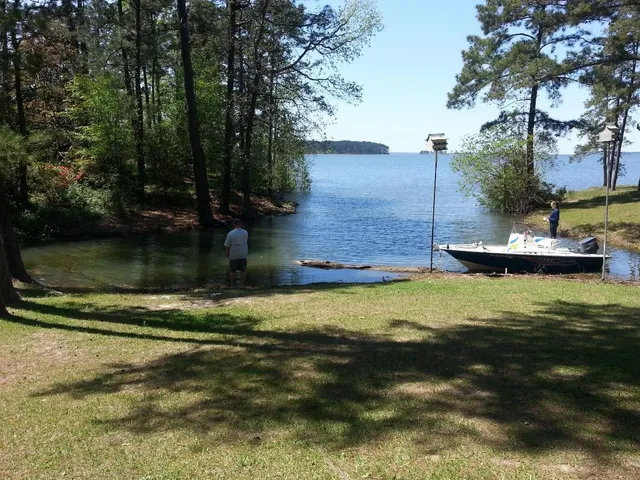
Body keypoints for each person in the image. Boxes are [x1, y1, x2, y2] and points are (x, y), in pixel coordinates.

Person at [224, 219, 249, 286]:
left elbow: (227, 245)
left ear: (234, 224)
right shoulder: (245, 232)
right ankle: (242, 284)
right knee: (243, 270)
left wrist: (227, 252)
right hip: (243, 253)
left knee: (232, 271)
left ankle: (233, 285)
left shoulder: (230, 233)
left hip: (234, 254)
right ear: (240, 224)